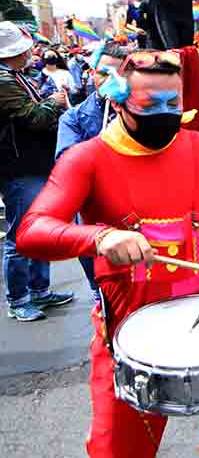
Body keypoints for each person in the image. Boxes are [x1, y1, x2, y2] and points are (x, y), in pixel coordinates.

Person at [15, 48, 199, 458]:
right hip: (129, 331)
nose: (166, 118)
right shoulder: (86, 158)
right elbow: (32, 230)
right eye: (152, 108)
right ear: (120, 101)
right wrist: (101, 236)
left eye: (175, 106)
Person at [0, 22, 74, 322]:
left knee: (39, 229)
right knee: (20, 235)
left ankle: (39, 290)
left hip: (34, 163)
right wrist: (54, 103)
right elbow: (33, 118)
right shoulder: (4, 81)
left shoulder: (15, 76)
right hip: (20, 167)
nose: (32, 51)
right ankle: (18, 299)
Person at [55, 43, 131, 301]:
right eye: (102, 72)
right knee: (104, 293)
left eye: (118, 73)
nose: (109, 79)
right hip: (94, 216)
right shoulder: (74, 118)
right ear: (91, 73)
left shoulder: (147, 112)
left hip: (141, 213)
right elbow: (67, 163)